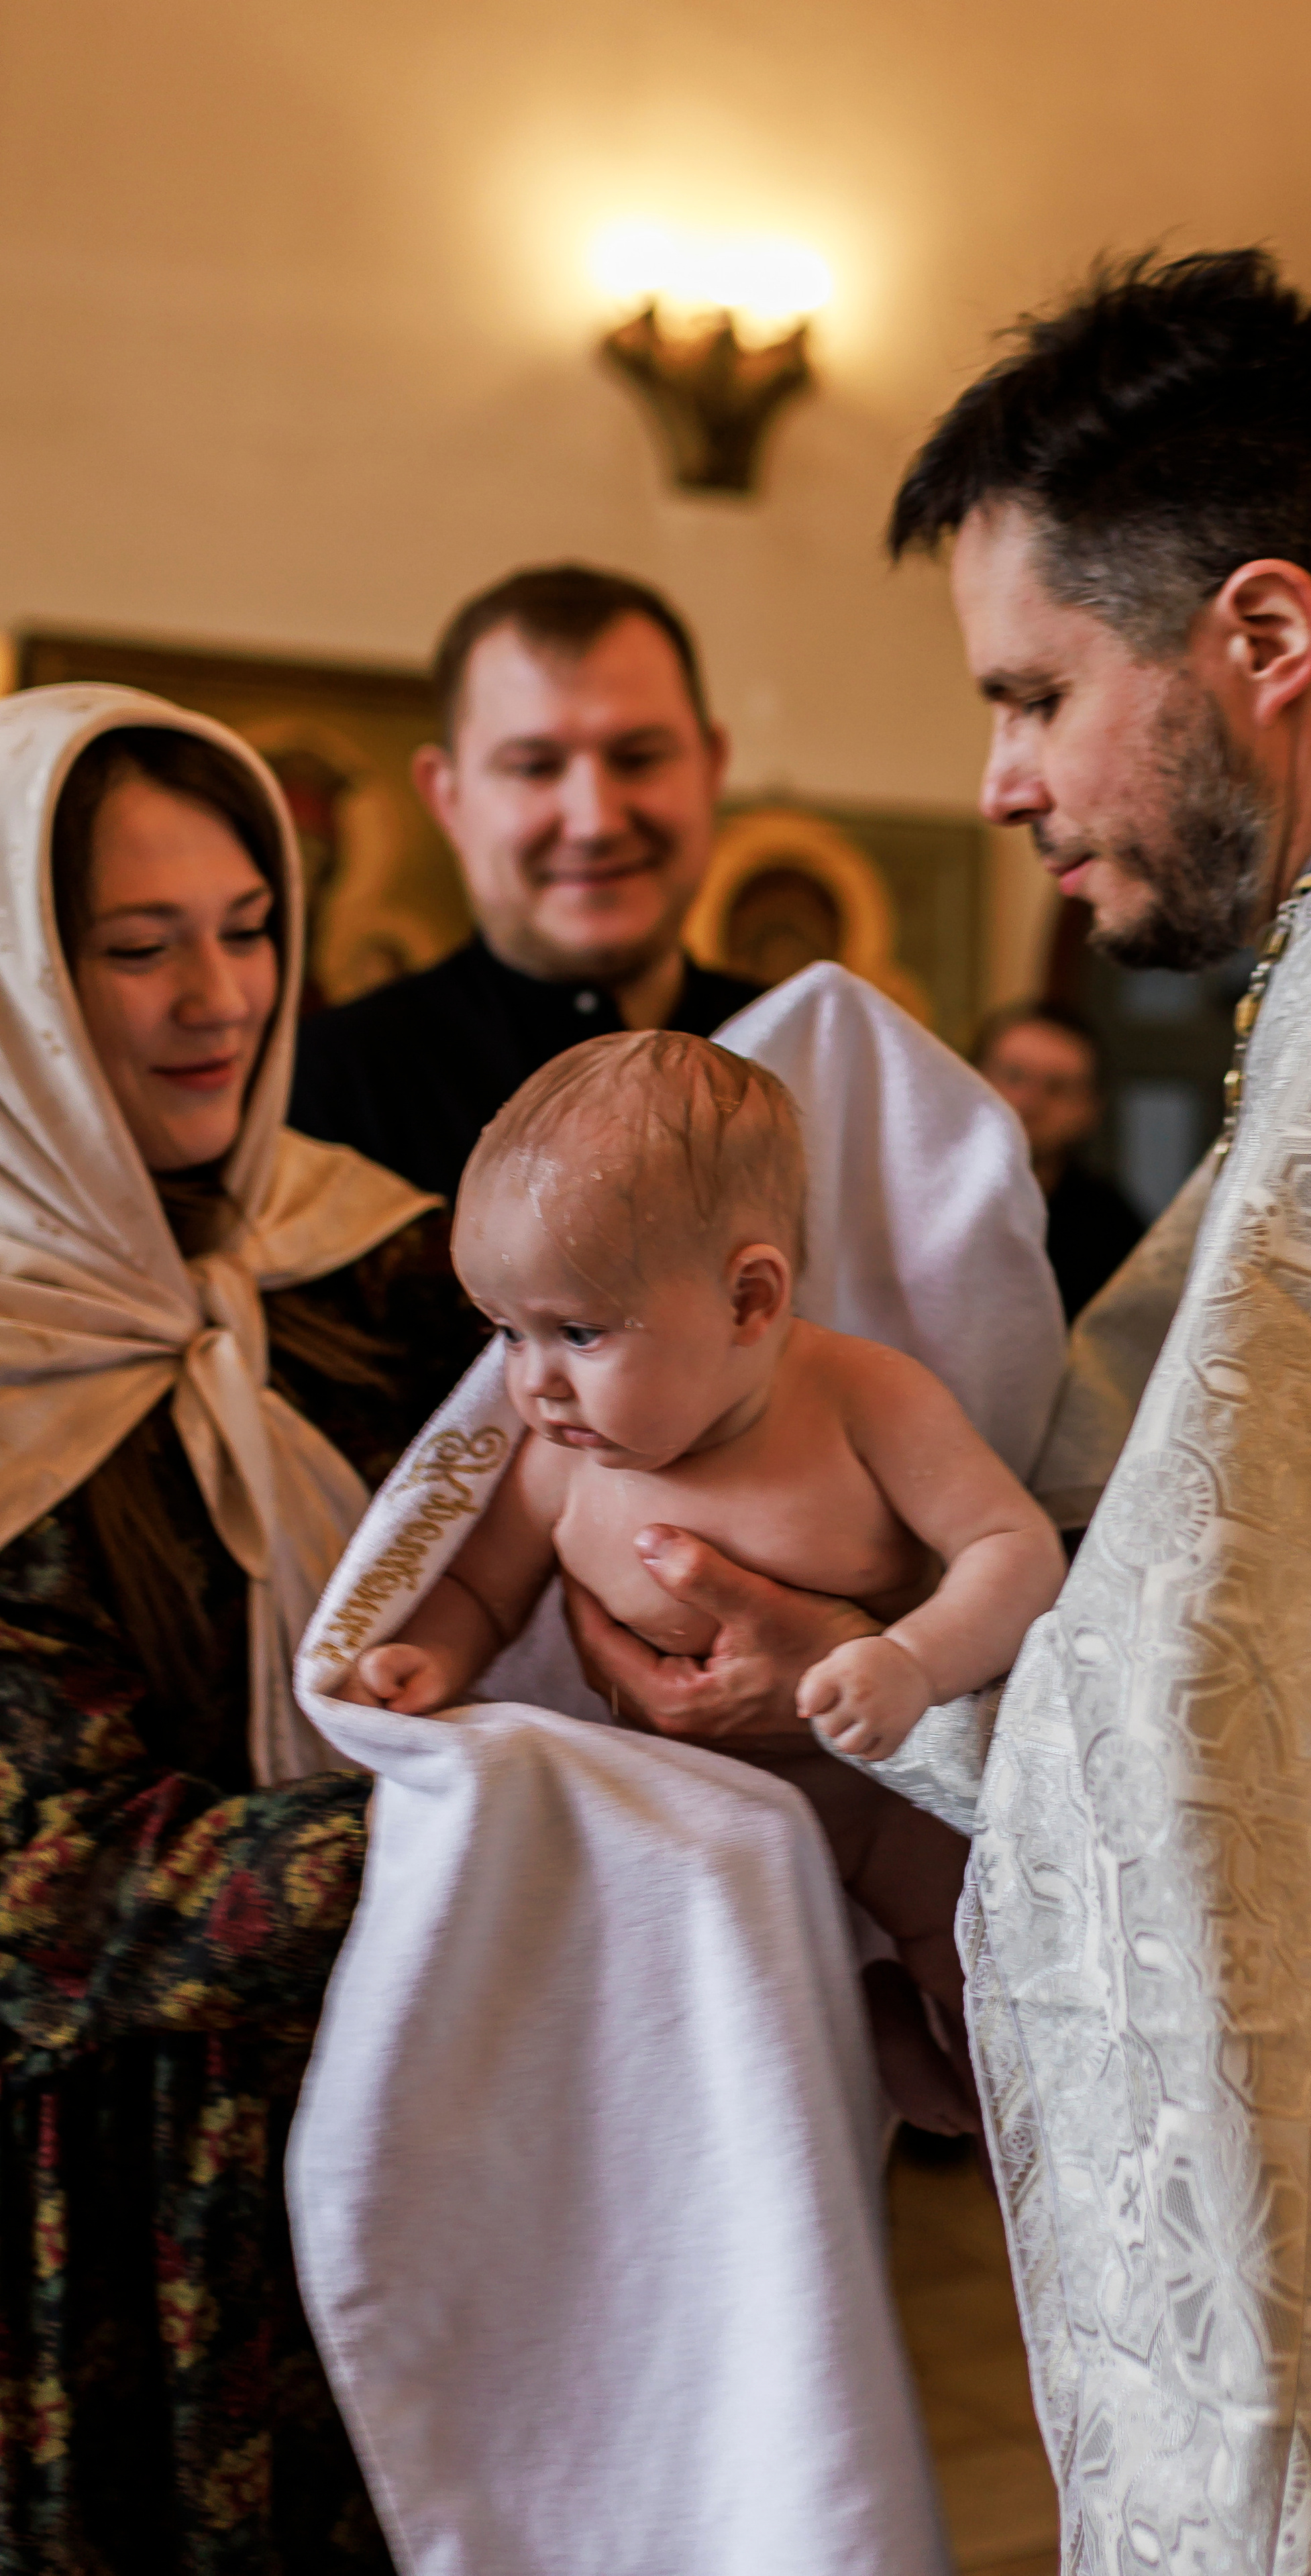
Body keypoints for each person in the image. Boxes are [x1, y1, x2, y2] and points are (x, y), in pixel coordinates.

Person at [568, 249, 1311, 2575]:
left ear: (1264, 640)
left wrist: (846, 1704)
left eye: (1035, 692)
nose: (994, 781)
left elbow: (1179, 1748)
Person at [0, 687, 484, 2571]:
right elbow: (43, 1893)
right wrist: (483, 1820)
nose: (222, 999)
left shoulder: (362, 1258)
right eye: (137, 949)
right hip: (102, 2201)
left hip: (396, 2118)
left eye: (248, 926)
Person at [342, 1028, 1064, 2107]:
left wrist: (910, 1663)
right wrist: (430, 1658)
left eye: (578, 1331)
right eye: (505, 1332)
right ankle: (853, 2068)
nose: (533, 1386)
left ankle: (957, 2085)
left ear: (748, 1302)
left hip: (875, 1796)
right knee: (715, 2049)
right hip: (683, 1822)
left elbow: (1016, 1553)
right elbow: (481, 1589)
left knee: (983, 1989)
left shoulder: (865, 1402)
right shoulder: (556, 1460)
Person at [289, 564, 763, 1201]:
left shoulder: (817, 1064)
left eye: (638, 758)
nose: (595, 821)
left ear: (711, 768)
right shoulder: (319, 1096)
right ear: (446, 797)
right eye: (534, 767)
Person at [972, 998, 1145, 1319]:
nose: (1028, 1103)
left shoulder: (1113, 1232)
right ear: (971, 1077)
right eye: (1012, 1076)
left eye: (1057, 1089)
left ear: (1089, 1111)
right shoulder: (913, 1192)